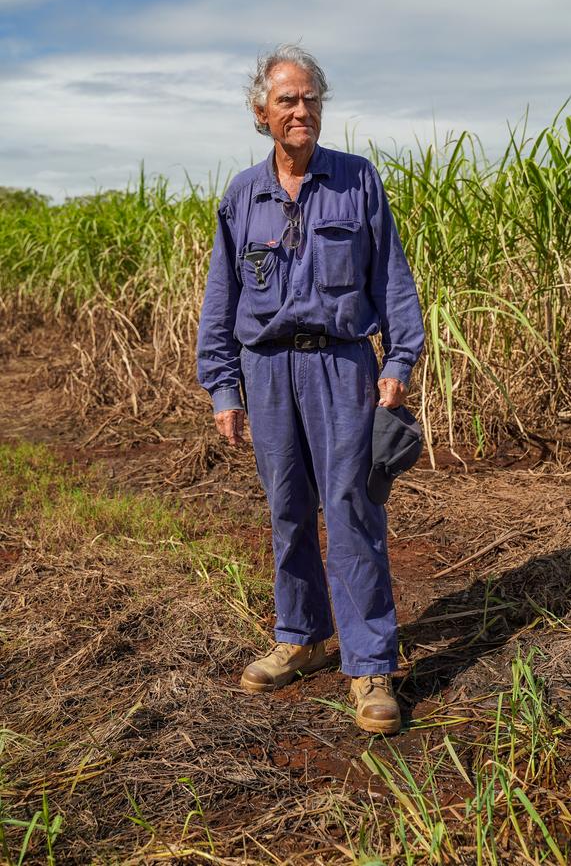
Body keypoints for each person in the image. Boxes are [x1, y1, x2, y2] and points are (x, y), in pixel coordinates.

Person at [197, 44, 424, 734]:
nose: (302, 111)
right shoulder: (243, 194)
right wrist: (223, 387)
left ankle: (370, 663)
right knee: (288, 507)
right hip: (267, 373)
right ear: (261, 113)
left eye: (311, 100)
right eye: (288, 101)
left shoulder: (355, 181)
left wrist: (398, 360)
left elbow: (391, 277)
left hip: (343, 366)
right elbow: (221, 296)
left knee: (352, 508)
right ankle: (299, 636)